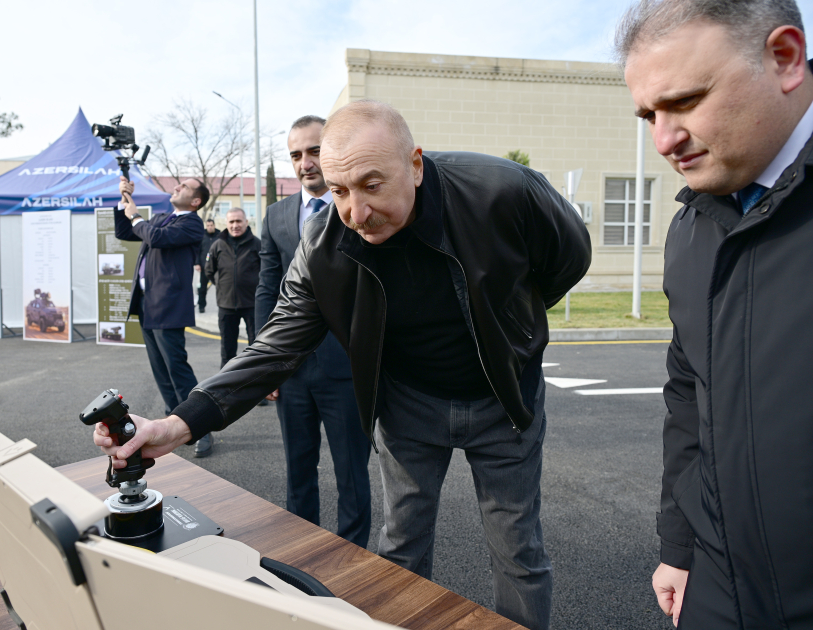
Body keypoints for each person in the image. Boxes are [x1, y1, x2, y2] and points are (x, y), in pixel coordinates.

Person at [94, 100, 591, 630]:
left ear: (415, 165)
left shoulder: (503, 191)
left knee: (519, 553)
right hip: (408, 407)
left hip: (504, 401)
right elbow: (275, 346)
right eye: (339, 190)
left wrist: (509, 324)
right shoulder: (325, 243)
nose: (355, 212)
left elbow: (569, 259)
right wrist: (178, 422)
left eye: (372, 185)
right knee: (401, 547)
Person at [618, 1, 813, 627]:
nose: (664, 140)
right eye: (649, 114)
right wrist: (680, 547)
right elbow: (689, 396)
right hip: (719, 584)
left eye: (686, 101)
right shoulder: (691, 227)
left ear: (784, 59)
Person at [255, 114, 372, 548]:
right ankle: (300, 556)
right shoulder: (277, 217)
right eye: (296, 154)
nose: (306, 162)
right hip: (293, 370)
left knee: (351, 475)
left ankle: (353, 560)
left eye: (315, 150)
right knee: (298, 470)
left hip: (347, 370)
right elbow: (267, 289)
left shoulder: (359, 208)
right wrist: (266, 363)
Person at [113, 176, 214, 458]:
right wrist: (124, 202)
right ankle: (173, 420)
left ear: (196, 201)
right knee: (160, 368)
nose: (177, 186)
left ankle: (200, 427)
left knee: (177, 368)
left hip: (168, 306)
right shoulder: (160, 217)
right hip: (147, 305)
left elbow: (157, 237)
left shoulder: (191, 223)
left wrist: (135, 217)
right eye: (178, 183)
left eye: (185, 186)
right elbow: (126, 231)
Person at [204, 208, 261, 368]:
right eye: (231, 222)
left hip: (252, 305)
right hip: (226, 305)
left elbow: (266, 272)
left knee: (257, 347)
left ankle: (256, 381)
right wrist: (222, 285)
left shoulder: (257, 244)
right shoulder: (217, 245)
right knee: (227, 350)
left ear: (246, 222)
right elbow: (209, 270)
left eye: (238, 221)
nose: (235, 225)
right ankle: (226, 386)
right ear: (226, 223)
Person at [197, 218, 219, 314]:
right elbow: (197, 251)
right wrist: (197, 263)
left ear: (214, 225)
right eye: (208, 225)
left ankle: (222, 306)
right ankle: (201, 306)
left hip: (217, 267)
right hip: (204, 266)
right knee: (202, 288)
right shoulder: (201, 236)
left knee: (221, 287)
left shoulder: (220, 236)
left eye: (211, 225)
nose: (210, 227)